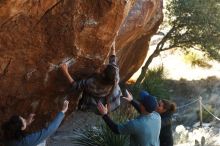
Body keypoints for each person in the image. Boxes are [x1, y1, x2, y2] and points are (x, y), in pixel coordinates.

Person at [60, 42, 121, 112]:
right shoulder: (115, 73)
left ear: (102, 74)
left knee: (87, 95)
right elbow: (113, 60)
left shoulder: (93, 83)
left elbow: (75, 85)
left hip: (98, 98)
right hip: (109, 94)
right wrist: (113, 47)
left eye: (103, 67)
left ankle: (83, 105)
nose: (104, 65)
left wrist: (65, 71)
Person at [1, 100, 69, 146]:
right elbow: (49, 130)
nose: (25, 119)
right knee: (43, 141)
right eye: (24, 120)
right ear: (21, 128)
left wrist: (26, 123)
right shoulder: (26, 141)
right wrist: (62, 111)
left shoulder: (8, 135)